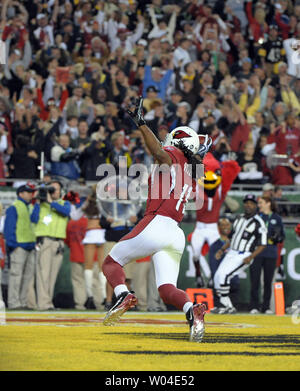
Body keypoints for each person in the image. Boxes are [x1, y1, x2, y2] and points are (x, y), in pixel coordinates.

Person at [102, 97, 211, 343]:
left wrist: (141, 123)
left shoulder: (174, 154)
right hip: (175, 232)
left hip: (157, 222)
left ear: (178, 141)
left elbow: (160, 154)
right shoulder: (191, 172)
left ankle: (122, 295)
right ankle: (191, 310)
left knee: (111, 262)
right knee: (166, 289)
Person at [212, 194, 267, 314]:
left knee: (225, 276)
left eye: (251, 203)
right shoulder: (238, 218)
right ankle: (223, 305)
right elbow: (231, 238)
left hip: (244, 254)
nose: (248, 205)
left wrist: (251, 256)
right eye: (246, 202)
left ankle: (228, 306)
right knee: (218, 276)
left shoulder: (259, 222)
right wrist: (222, 250)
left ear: (255, 206)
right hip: (231, 252)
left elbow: (263, 244)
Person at [30, 180, 71, 310]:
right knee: (43, 274)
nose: (53, 191)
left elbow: (65, 212)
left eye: (55, 189)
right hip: (45, 241)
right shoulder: (41, 205)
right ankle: (43, 304)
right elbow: (33, 218)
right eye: (50, 189)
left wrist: (50, 202)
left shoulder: (64, 203)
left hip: (58, 243)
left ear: (60, 192)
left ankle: (48, 303)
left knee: (53, 276)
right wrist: (38, 201)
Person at [249, 196, 285, 314]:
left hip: (270, 252)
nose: (259, 205)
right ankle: (254, 306)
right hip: (257, 252)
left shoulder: (276, 218)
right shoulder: (256, 217)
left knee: (268, 281)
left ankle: (266, 307)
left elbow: (282, 236)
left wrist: (278, 237)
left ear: (268, 203)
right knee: (255, 280)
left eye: (261, 203)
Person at [4, 184, 36, 309]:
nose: (30, 194)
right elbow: (8, 228)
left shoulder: (32, 206)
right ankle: (13, 303)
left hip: (30, 245)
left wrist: (38, 204)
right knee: (16, 275)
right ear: (20, 193)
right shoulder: (14, 207)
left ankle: (22, 302)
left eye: (31, 192)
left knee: (27, 277)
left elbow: (35, 220)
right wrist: (13, 245)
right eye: (27, 192)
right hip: (19, 246)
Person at [208, 218, 239, 309]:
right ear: (218, 227)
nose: (226, 227)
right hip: (220, 283)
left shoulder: (236, 243)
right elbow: (213, 266)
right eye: (223, 225)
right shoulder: (215, 245)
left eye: (227, 225)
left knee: (234, 314)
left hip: (233, 283)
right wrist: (217, 283)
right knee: (221, 313)